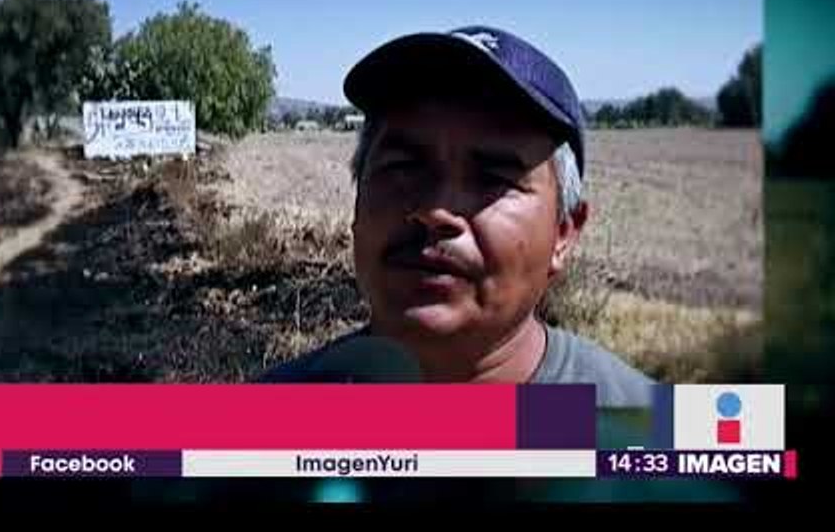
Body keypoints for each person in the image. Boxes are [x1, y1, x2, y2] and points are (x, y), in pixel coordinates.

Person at [259, 25, 654, 407]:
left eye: (493, 178)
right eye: (403, 167)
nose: (435, 212)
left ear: (563, 234)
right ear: (357, 205)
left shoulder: (645, 434)